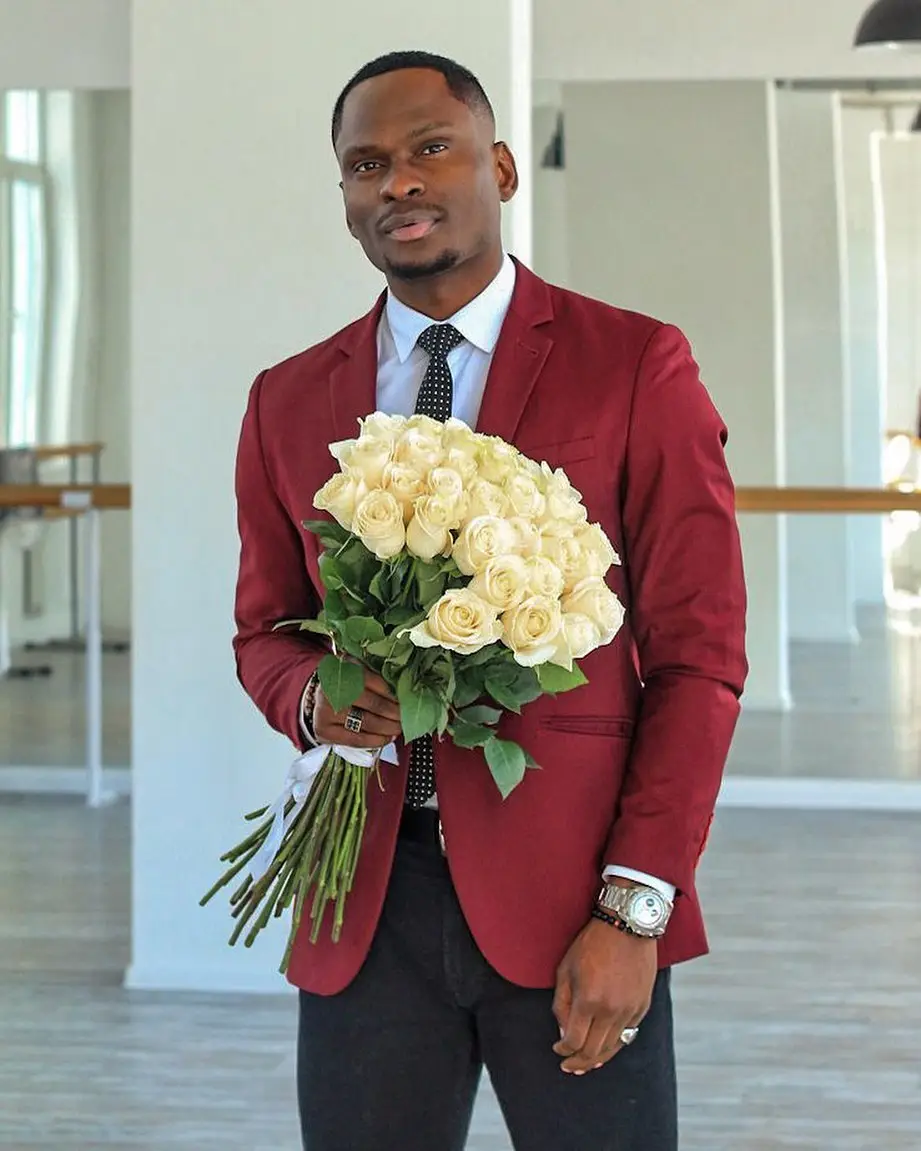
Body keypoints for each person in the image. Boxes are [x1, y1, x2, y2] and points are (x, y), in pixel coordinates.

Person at [232, 50, 748, 1151]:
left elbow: (701, 658)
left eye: (430, 149)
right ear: (346, 200)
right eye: (364, 165)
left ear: (502, 168)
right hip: (364, 905)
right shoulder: (286, 398)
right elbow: (264, 630)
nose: (397, 184)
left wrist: (634, 905)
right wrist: (317, 698)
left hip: (575, 899)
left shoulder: (634, 365)